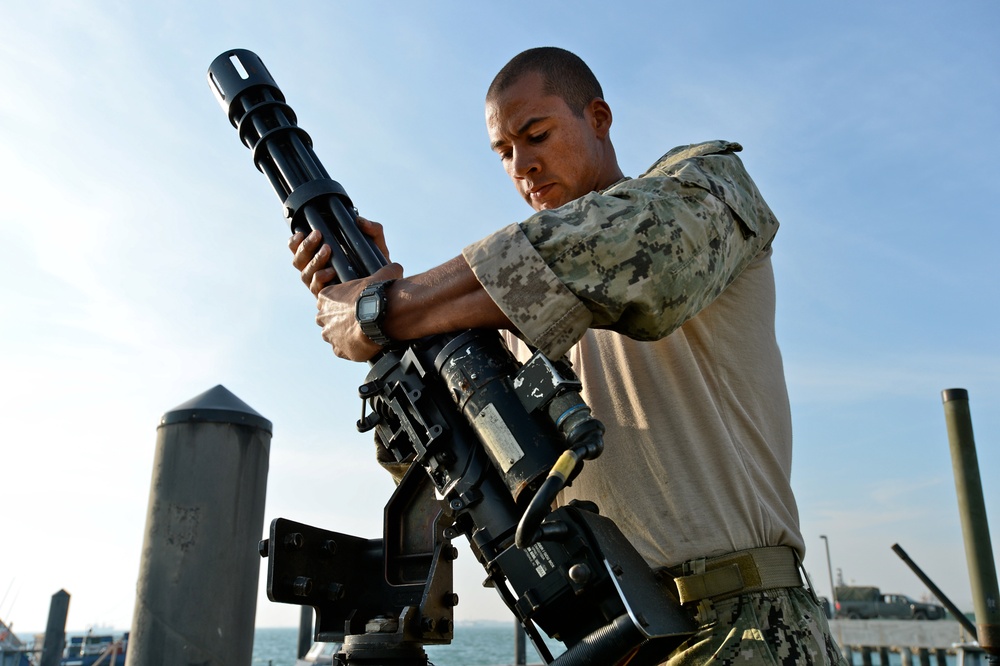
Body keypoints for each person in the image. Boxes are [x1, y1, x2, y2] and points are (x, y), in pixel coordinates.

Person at [291, 47, 846, 665]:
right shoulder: (503, 316)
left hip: (741, 626)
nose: (523, 165)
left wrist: (382, 308)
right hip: (609, 637)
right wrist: (391, 334)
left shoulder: (699, 190)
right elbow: (449, 469)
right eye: (505, 153)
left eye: (537, 135)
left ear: (599, 118)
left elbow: (627, 249)